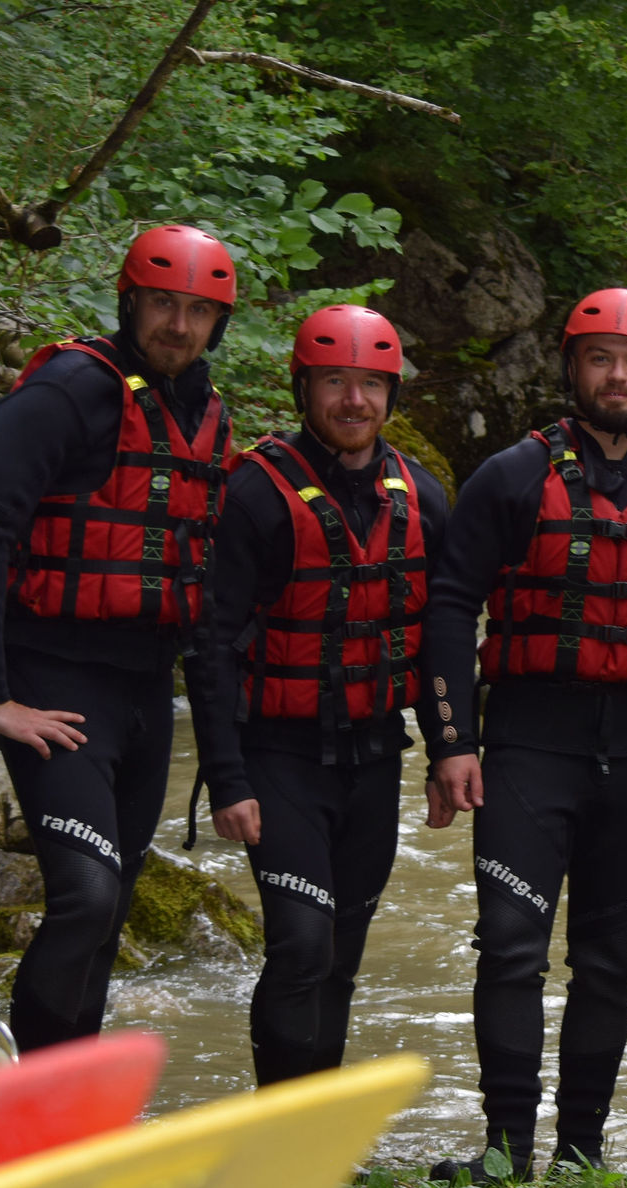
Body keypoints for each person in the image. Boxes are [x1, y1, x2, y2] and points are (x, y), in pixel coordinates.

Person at [423, 288, 627, 1181]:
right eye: (600, 358)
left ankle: (583, 1152)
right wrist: (452, 740)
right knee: (511, 946)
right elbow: (449, 605)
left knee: (609, 958)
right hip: (528, 743)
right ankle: (507, 1150)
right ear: (572, 367)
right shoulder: (511, 477)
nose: (618, 375)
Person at [0, 224, 238, 1051]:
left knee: (110, 908)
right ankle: (28, 1085)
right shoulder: (70, 389)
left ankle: (63, 1104)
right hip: (52, 682)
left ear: (219, 323)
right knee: (85, 894)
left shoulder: (206, 415)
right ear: (129, 300)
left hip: (146, 697)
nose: (178, 326)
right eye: (162, 304)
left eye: (197, 311)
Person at [186, 305, 448, 1085]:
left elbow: (438, 636)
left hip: (373, 758)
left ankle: (316, 1133)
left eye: (370, 384)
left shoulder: (422, 496)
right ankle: (277, 1121)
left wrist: (448, 749)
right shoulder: (257, 495)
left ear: (391, 395)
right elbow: (211, 644)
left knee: (341, 954)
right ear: (305, 388)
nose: (354, 402)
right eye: (336, 382)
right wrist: (226, 778)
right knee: (301, 941)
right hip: (277, 756)